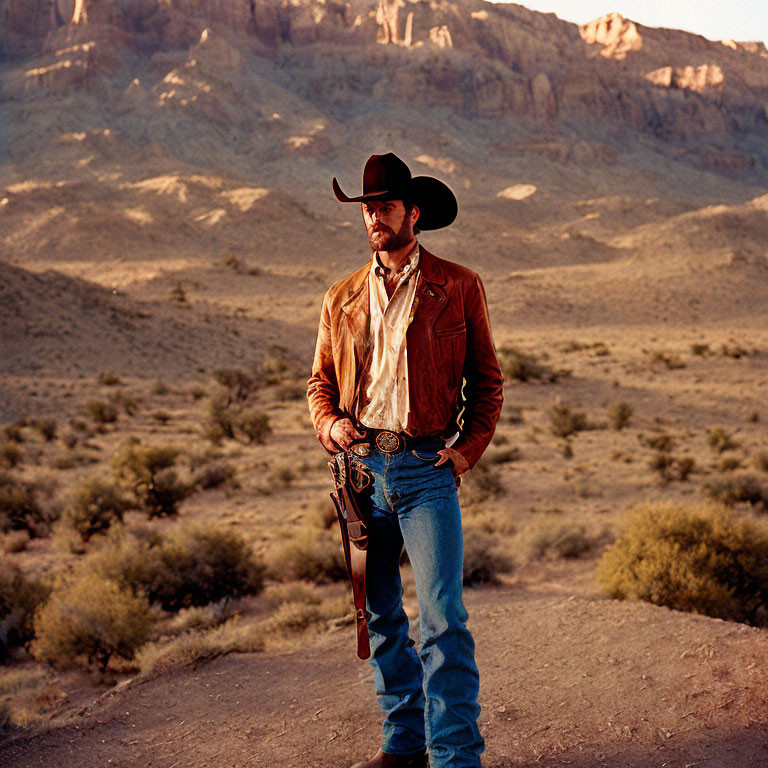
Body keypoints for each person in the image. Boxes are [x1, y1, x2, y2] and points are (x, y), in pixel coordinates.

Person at [307, 152, 504, 768]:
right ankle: (403, 744)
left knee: (443, 618)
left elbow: (488, 383)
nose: (374, 218)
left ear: (412, 213)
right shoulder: (340, 298)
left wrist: (465, 451)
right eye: (367, 209)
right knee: (382, 616)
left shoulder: (459, 286)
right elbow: (318, 382)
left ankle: (454, 756)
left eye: (385, 207)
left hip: (426, 472)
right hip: (362, 472)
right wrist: (329, 422)